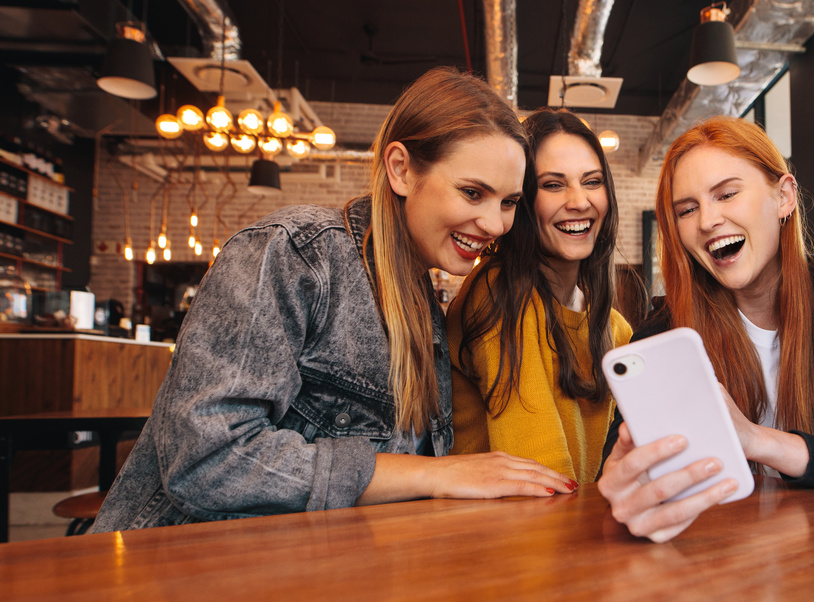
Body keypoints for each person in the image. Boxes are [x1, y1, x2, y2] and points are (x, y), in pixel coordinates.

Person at [92, 68, 574, 532]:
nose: (494, 225)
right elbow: (208, 461)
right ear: (401, 170)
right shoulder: (295, 252)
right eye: (473, 193)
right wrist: (436, 475)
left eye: (508, 202)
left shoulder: (417, 293)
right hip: (170, 583)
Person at [598, 117, 814, 542]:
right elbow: (620, 470)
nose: (708, 221)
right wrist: (622, 480)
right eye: (687, 209)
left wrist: (755, 440)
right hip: (719, 555)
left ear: (784, 196)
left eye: (727, 194)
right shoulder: (661, 335)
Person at [447, 108, 631, 484]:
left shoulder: (613, 328)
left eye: (592, 181)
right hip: (493, 533)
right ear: (523, 201)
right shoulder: (500, 293)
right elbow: (541, 477)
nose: (579, 201)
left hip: (569, 527)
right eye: (552, 184)